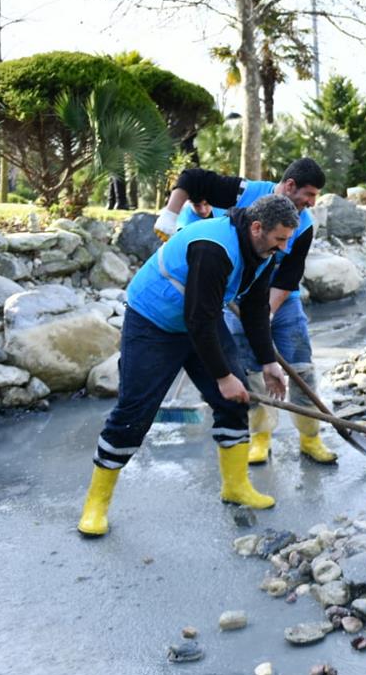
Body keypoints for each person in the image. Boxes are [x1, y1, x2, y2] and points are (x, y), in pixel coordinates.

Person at [77, 195, 297, 537]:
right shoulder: (214, 248)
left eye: (287, 240)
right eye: (279, 239)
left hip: (200, 320)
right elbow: (199, 319)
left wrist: (268, 362)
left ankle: (235, 486)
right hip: (153, 321)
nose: (283, 248)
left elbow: (254, 309)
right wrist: (223, 377)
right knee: (134, 413)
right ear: (257, 228)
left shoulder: (263, 252)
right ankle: (96, 503)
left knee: (234, 400)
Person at [158, 160, 338, 465]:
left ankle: (310, 439)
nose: (311, 203)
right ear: (290, 185)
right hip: (237, 301)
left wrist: (264, 316)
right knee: (252, 374)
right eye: (309, 194)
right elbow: (193, 177)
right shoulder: (244, 192)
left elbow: (288, 276)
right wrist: (169, 214)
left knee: (302, 367)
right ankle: (260, 437)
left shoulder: (305, 223)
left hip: (282, 303)